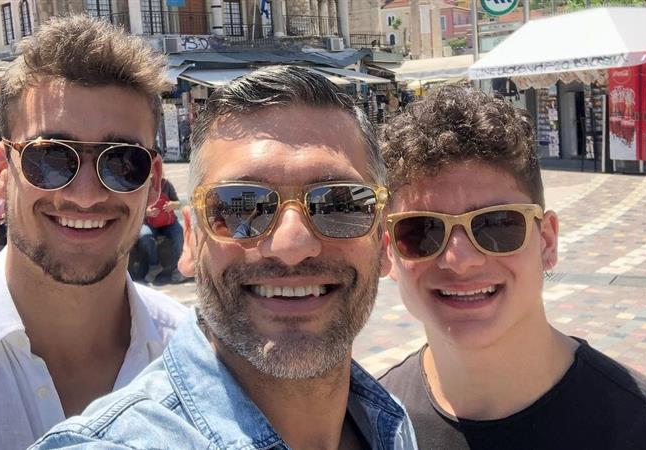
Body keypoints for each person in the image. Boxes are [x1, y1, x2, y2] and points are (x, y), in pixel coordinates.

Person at [32, 66, 417, 449]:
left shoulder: (391, 426)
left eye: (341, 204)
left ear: (382, 241)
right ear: (191, 239)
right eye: (237, 207)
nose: (292, 245)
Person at [378, 85, 646, 449]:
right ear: (389, 253)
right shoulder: (370, 429)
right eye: (421, 230)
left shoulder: (639, 425)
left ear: (547, 241)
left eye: (497, 224)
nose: (460, 259)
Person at [0, 15, 188, 450]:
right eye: (50, 158)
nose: (86, 196)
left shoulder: (196, 358)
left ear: (152, 182)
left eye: (122, 162)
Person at [137, 177, 184, 283]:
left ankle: (180, 268)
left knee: (178, 233)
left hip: (169, 223)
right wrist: (146, 212)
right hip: (150, 223)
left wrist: (173, 205)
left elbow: (178, 203)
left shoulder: (166, 184)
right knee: (144, 236)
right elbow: (136, 209)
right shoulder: (141, 186)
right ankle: (154, 266)